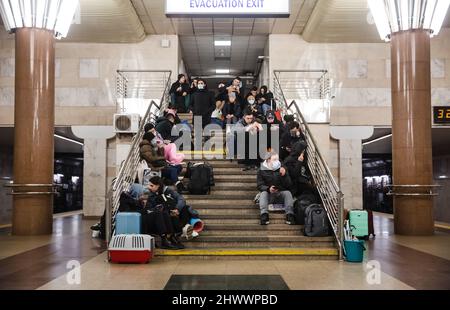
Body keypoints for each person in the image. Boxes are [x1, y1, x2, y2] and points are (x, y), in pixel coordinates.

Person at [143, 176, 193, 249]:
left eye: (151, 185)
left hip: (167, 215)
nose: (149, 187)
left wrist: (176, 209)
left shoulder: (168, 191)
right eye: (149, 185)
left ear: (158, 186)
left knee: (185, 208)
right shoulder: (151, 195)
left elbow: (181, 199)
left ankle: (176, 233)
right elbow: (148, 209)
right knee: (163, 213)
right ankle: (168, 238)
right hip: (155, 219)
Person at [257, 151, 295, 226]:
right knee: (263, 193)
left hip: (280, 193)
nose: (277, 161)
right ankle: (264, 215)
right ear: (268, 160)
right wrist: (268, 189)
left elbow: (289, 185)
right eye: (274, 159)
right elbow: (260, 185)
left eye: (277, 159)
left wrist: (284, 175)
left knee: (287, 193)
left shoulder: (282, 168)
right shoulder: (261, 170)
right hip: (269, 195)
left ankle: (289, 215)